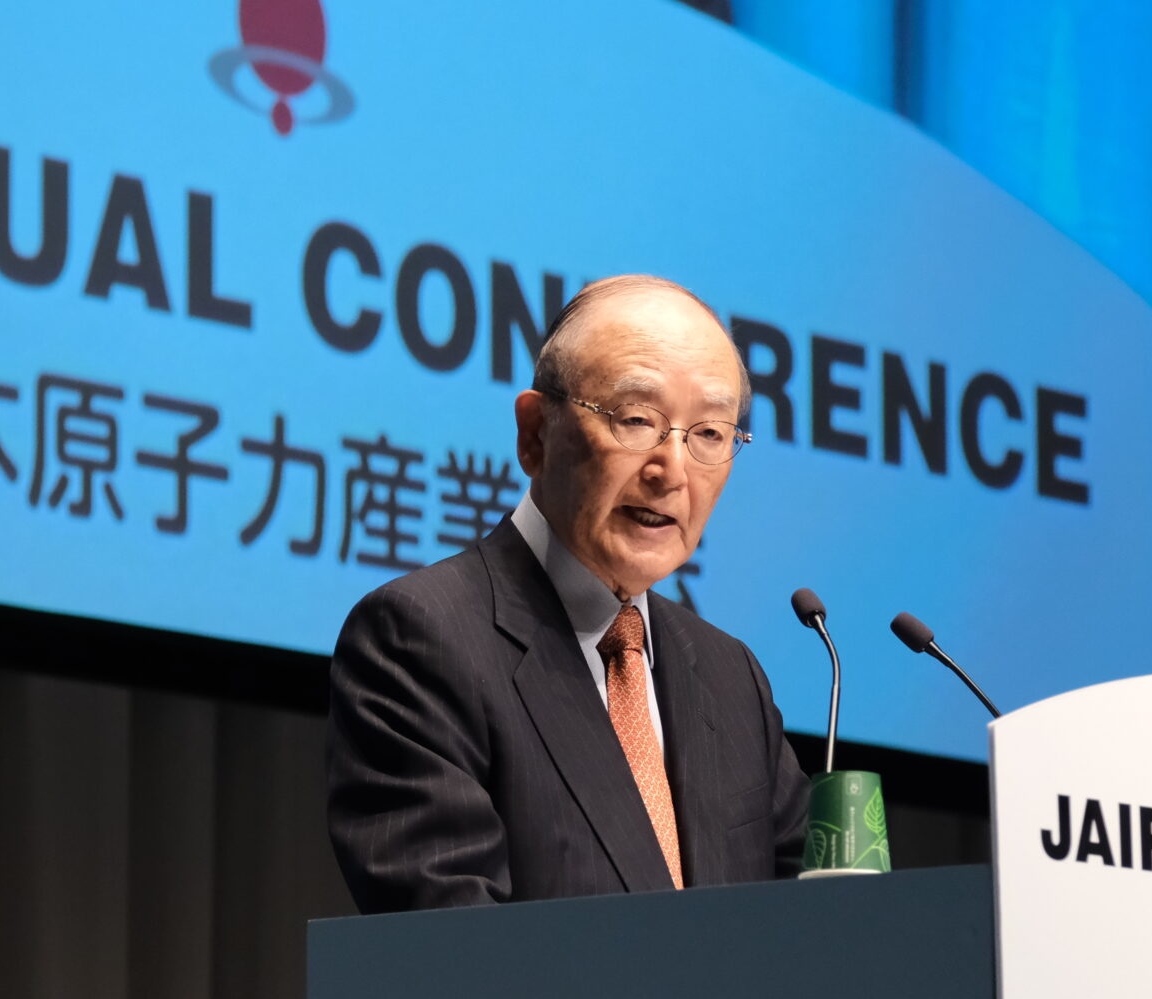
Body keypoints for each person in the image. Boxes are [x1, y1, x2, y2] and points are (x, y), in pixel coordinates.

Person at [326, 274, 810, 912]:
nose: (672, 472)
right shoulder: (420, 638)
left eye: (710, 435)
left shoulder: (730, 676)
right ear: (535, 433)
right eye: (636, 420)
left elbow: (819, 929)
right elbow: (452, 942)